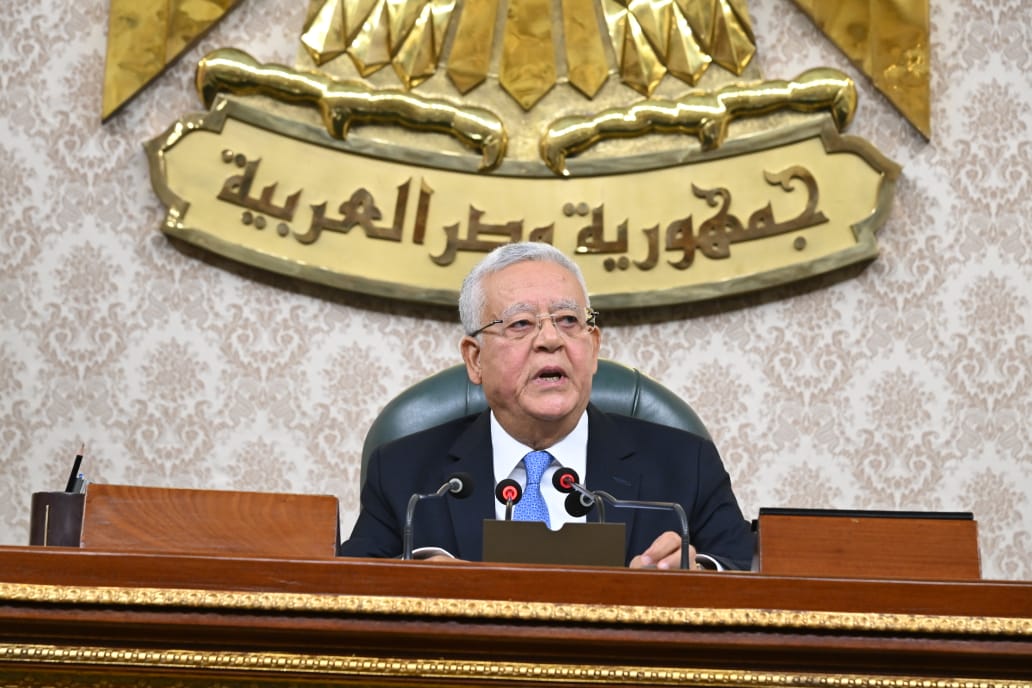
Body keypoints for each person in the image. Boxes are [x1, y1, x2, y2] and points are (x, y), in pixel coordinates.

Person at [339, 242, 755, 570]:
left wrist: (699, 576)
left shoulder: (685, 465)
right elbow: (348, 590)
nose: (551, 339)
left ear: (593, 347)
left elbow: (750, 574)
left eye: (569, 320)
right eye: (521, 324)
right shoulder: (403, 473)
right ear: (475, 359)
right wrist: (410, 578)